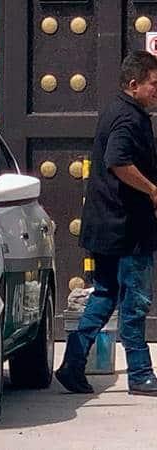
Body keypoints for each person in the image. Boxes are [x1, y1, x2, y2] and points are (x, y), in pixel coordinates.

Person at [56, 50, 157, 396]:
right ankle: (141, 373)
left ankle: (72, 364)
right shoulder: (128, 118)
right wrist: (153, 190)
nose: (156, 91)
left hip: (107, 225)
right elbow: (118, 161)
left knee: (104, 294)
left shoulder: (119, 110)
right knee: (135, 300)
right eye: (153, 85)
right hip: (127, 229)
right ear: (134, 84)